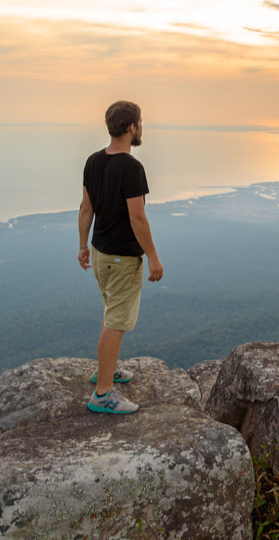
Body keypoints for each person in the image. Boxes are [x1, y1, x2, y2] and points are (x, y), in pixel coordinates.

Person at [78, 100, 164, 414]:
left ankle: (107, 369)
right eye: (140, 122)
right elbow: (137, 218)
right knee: (115, 321)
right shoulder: (132, 168)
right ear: (131, 127)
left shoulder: (92, 161)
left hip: (100, 253)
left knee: (111, 312)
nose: (141, 127)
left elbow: (86, 208)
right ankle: (103, 393)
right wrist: (153, 257)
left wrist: (82, 245)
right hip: (122, 257)